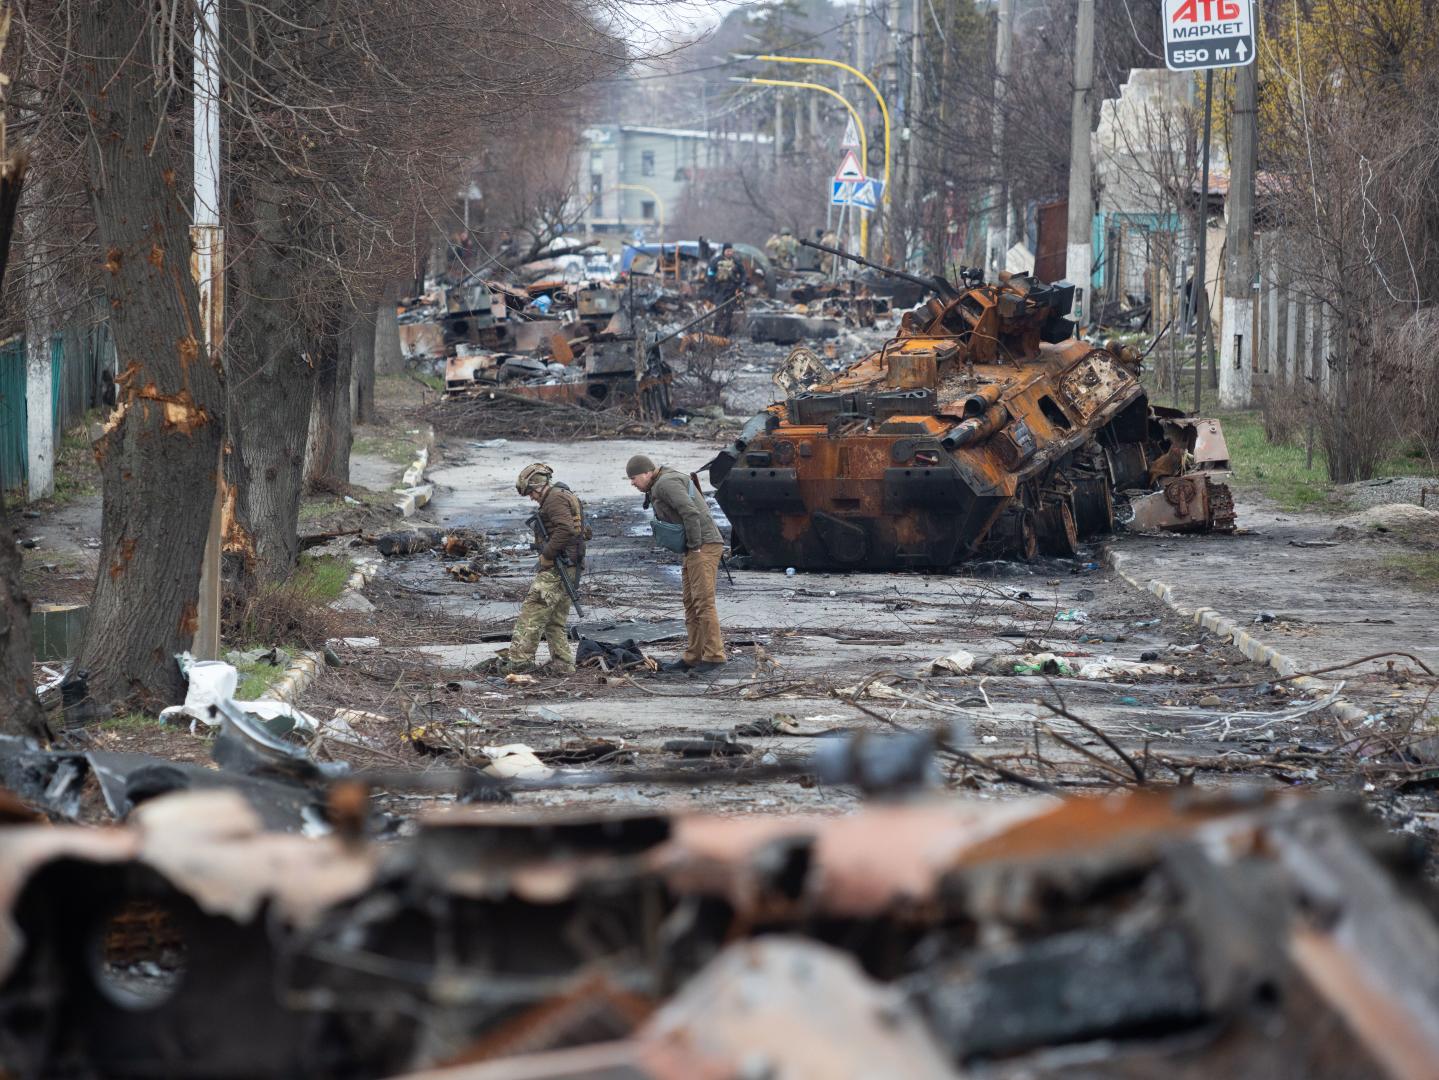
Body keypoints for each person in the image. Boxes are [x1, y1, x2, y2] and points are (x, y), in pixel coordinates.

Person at [626, 454, 726, 674]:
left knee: (703, 602)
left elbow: (690, 512)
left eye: (634, 478)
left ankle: (715, 656)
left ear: (646, 473)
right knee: (690, 603)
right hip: (696, 547)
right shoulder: (659, 483)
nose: (632, 483)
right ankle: (693, 656)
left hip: (703, 545)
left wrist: (695, 545)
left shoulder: (666, 483)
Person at [497, 463, 586, 675]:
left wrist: (547, 555)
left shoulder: (554, 499)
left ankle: (519, 662)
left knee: (532, 612)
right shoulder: (561, 494)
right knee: (555, 620)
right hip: (570, 564)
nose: (531, 497)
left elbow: (566, 529)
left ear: (537, 485)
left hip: (559, 566)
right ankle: (563, 663)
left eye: (530, 492)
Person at [705, 244, 746, 336]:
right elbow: (710, 273)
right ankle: (716, 333)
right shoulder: (716, 261)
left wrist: (742, 284)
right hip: (720, 290)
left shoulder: (736, 261)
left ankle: (725, 334)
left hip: (732, 290)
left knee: (729, 313)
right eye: (727, 251)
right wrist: (712, 287)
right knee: (719, 311)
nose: (729, 253)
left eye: (731, 251)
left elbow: (743, 273)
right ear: (724, 251)